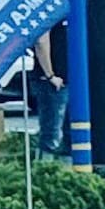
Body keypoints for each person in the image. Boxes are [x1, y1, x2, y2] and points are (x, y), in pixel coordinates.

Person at [34, 20, 69, 157]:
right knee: (52, 134)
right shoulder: (53, 10)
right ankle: (44, 171)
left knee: (63, 133)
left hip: (64, 78)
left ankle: (59, 172)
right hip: (54, 80)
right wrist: (50, 75)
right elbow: (41, 41)